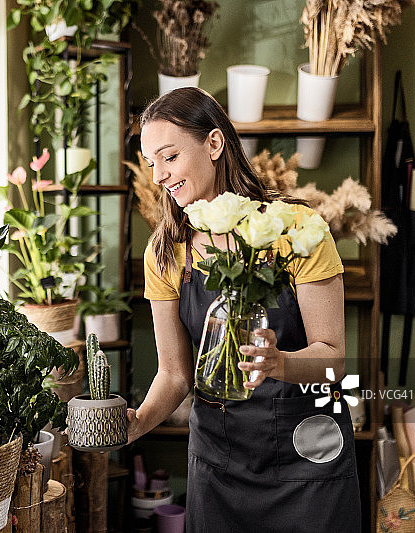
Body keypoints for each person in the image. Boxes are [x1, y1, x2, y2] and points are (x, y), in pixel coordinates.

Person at [127, 87, 362, 532]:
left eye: (169, 157)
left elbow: (333, 359)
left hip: (306, 457)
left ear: (214, 144)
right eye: (151, 162)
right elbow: (175, 375)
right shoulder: (164, 252)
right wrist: (138, 422)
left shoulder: (297, 230)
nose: (159, 175)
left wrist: (278, 363)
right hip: (220, 459)